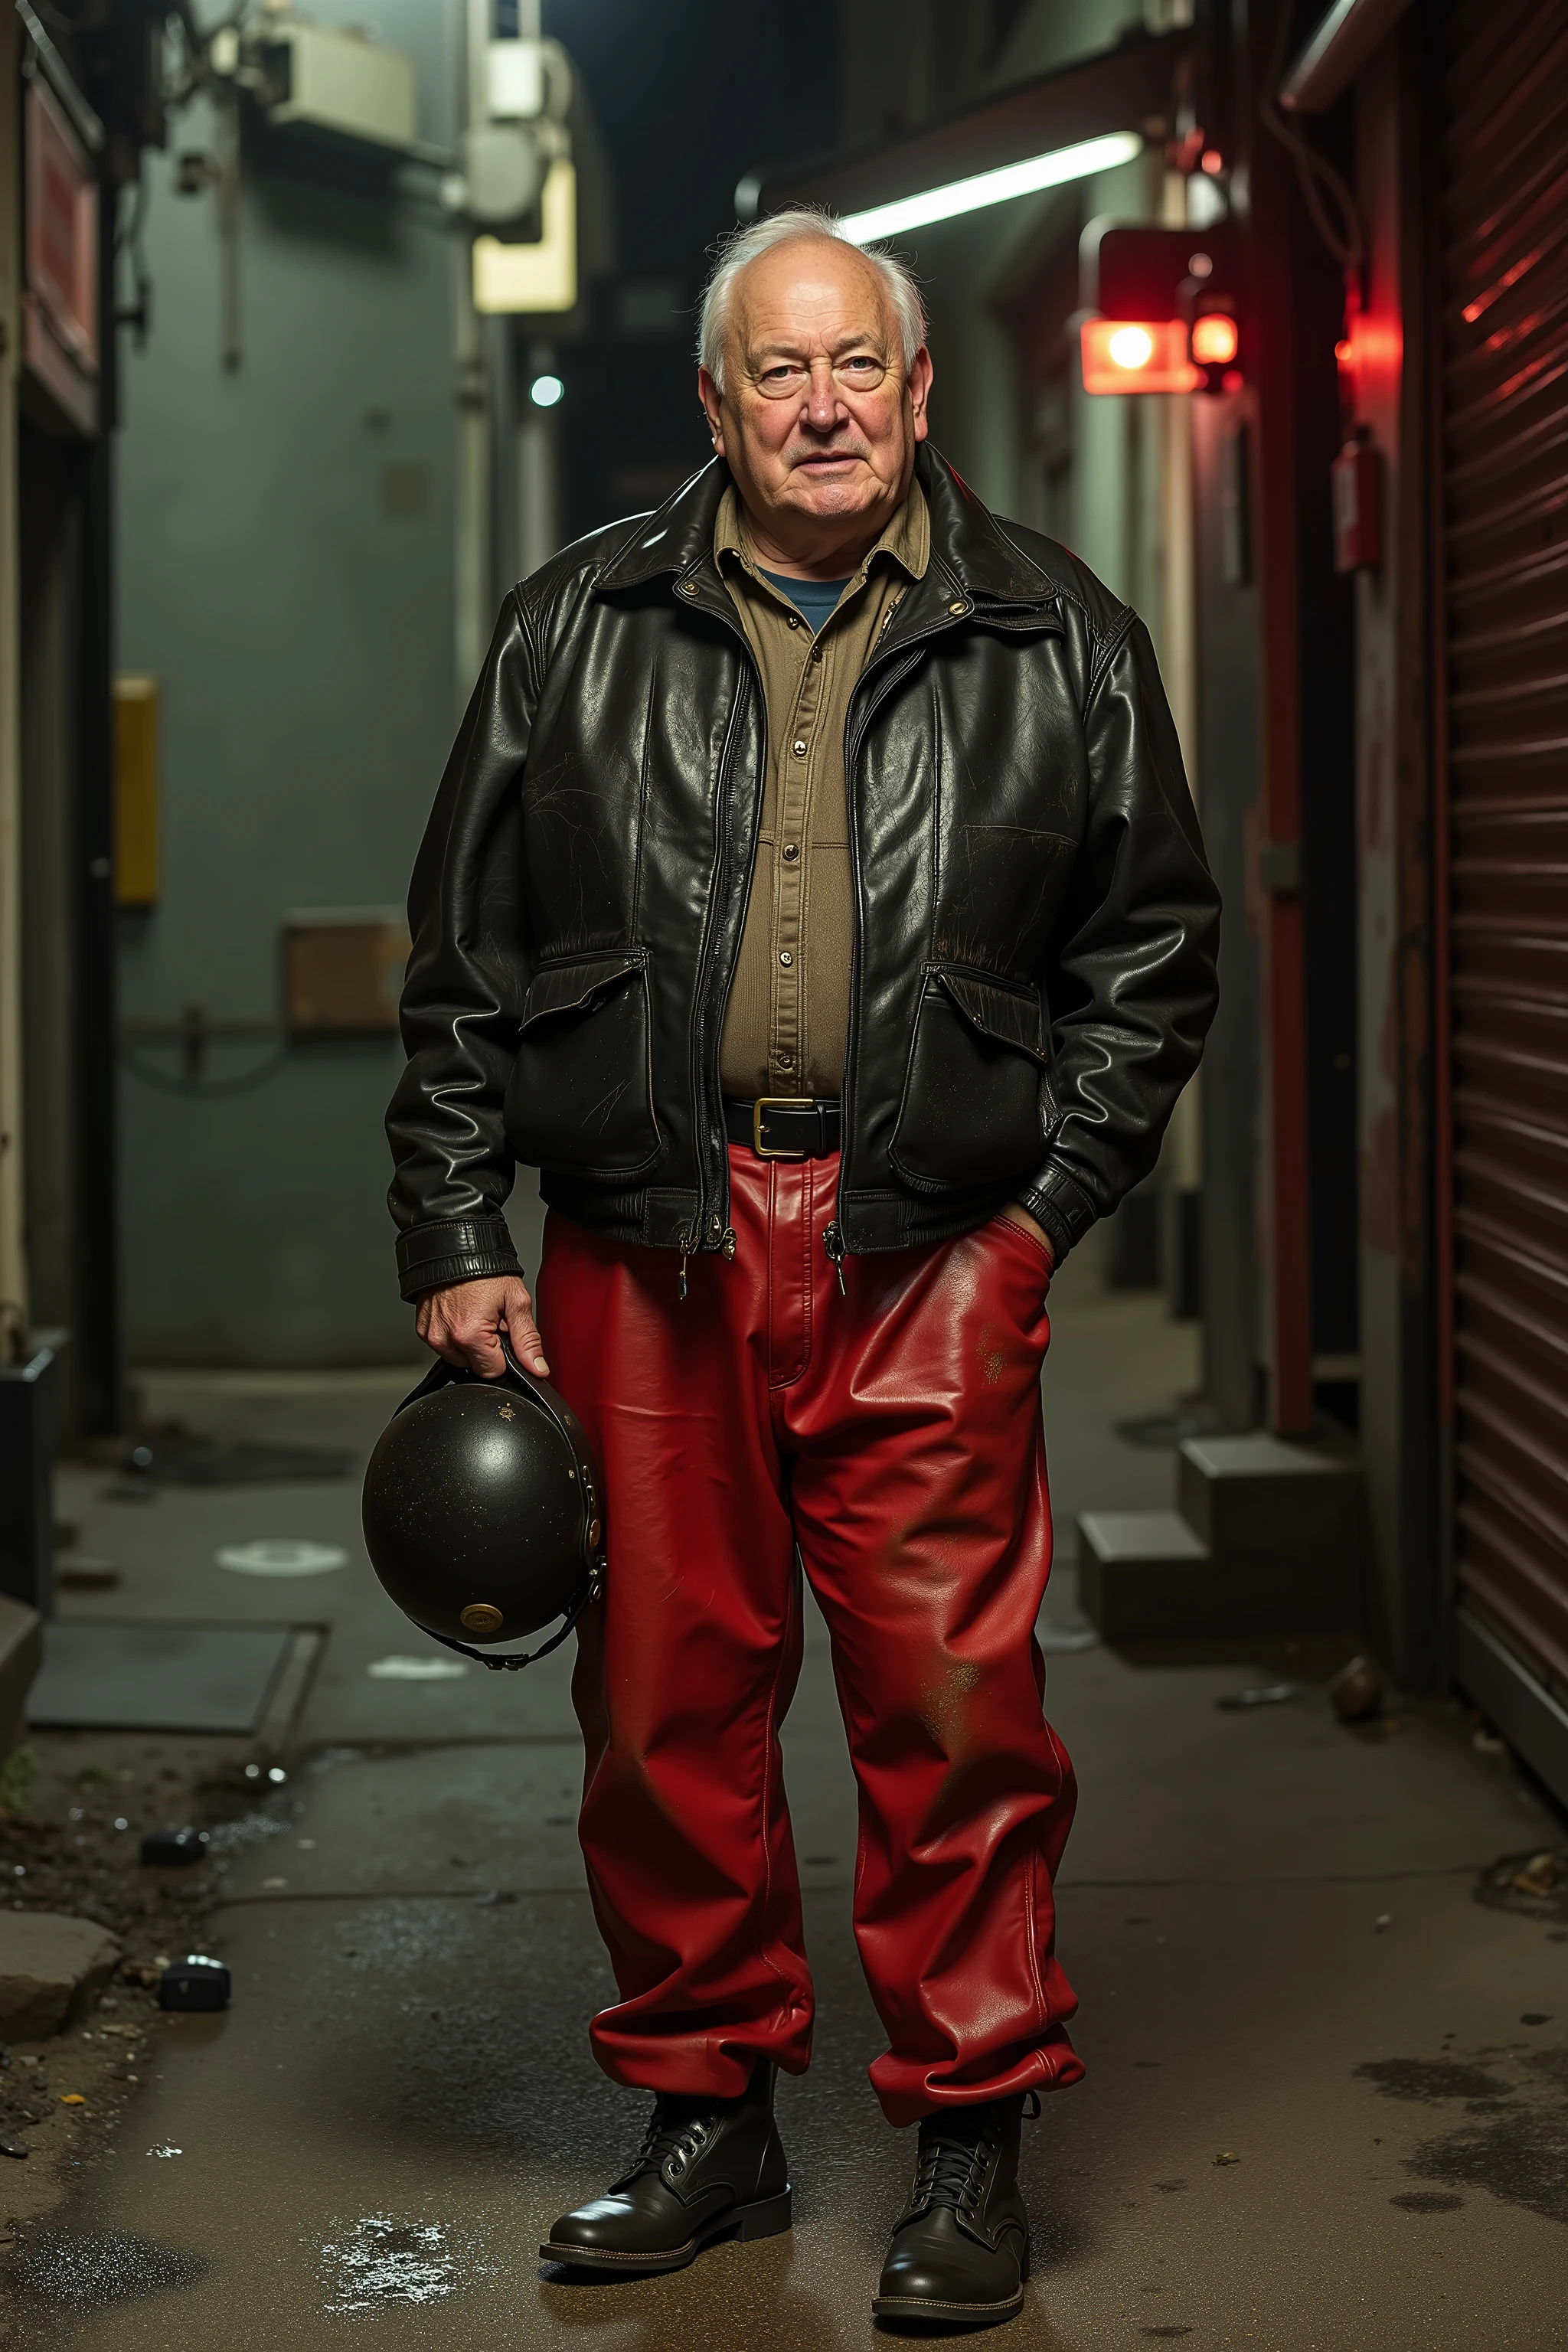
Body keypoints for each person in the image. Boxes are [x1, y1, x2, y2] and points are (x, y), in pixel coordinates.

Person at [386, 204, 1219, 2331]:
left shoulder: (1059, 633)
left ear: (921, 392)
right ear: (720, 402)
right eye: (784, 369)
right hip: (644, 1238)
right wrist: (457, 1229)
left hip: (931, 1236)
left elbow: (1156, 955)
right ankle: (710, 2121)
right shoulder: (574, 629)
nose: (827, 403)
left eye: (861, 364)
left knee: (951, 1706)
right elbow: (465, 965)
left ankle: (966, 2138)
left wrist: (1042, 1215)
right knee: (665, 1700)